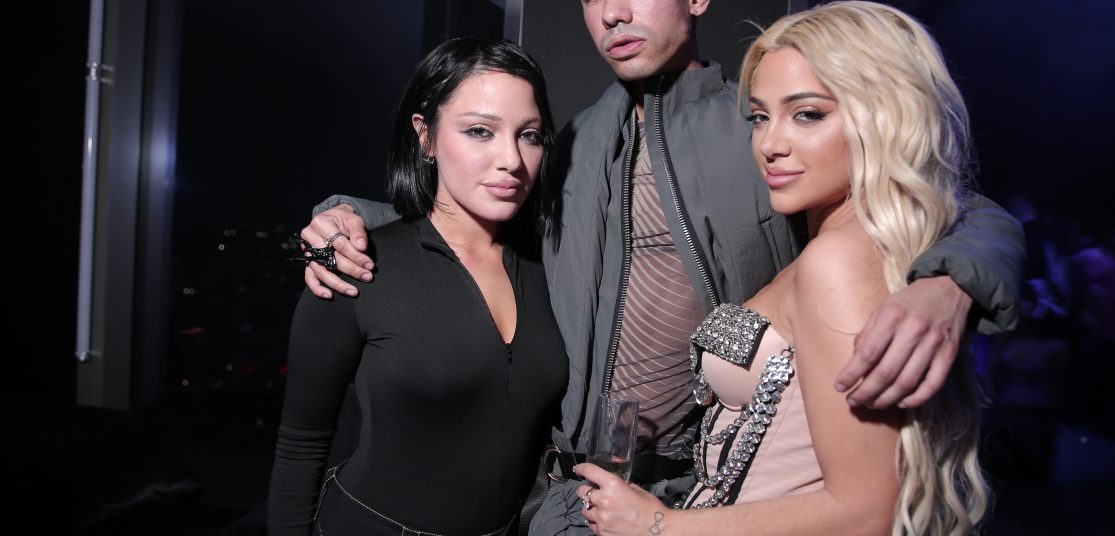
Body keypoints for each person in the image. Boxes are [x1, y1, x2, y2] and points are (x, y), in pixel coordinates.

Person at [297, 0, 1023, 533]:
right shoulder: (572, 143)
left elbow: (947, 201)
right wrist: (348, 215)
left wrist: (950, 283)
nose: (612, 13)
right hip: (567, 497)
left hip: (707, 498)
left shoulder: (760, 127)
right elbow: (471, 214)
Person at [575, 3, 990, 534]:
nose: (770, 144)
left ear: (883, 117)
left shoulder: (839, 261)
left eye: (808, 114)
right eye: (760, 117)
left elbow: (867, 512)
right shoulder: (834, 242)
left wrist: (657, 524)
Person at [267, 37, 568, 535]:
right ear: (425, 136)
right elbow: (300, 444)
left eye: (529, 135)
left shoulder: (553, 271)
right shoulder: (356, 265)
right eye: (479, 131)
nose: (511, 160)